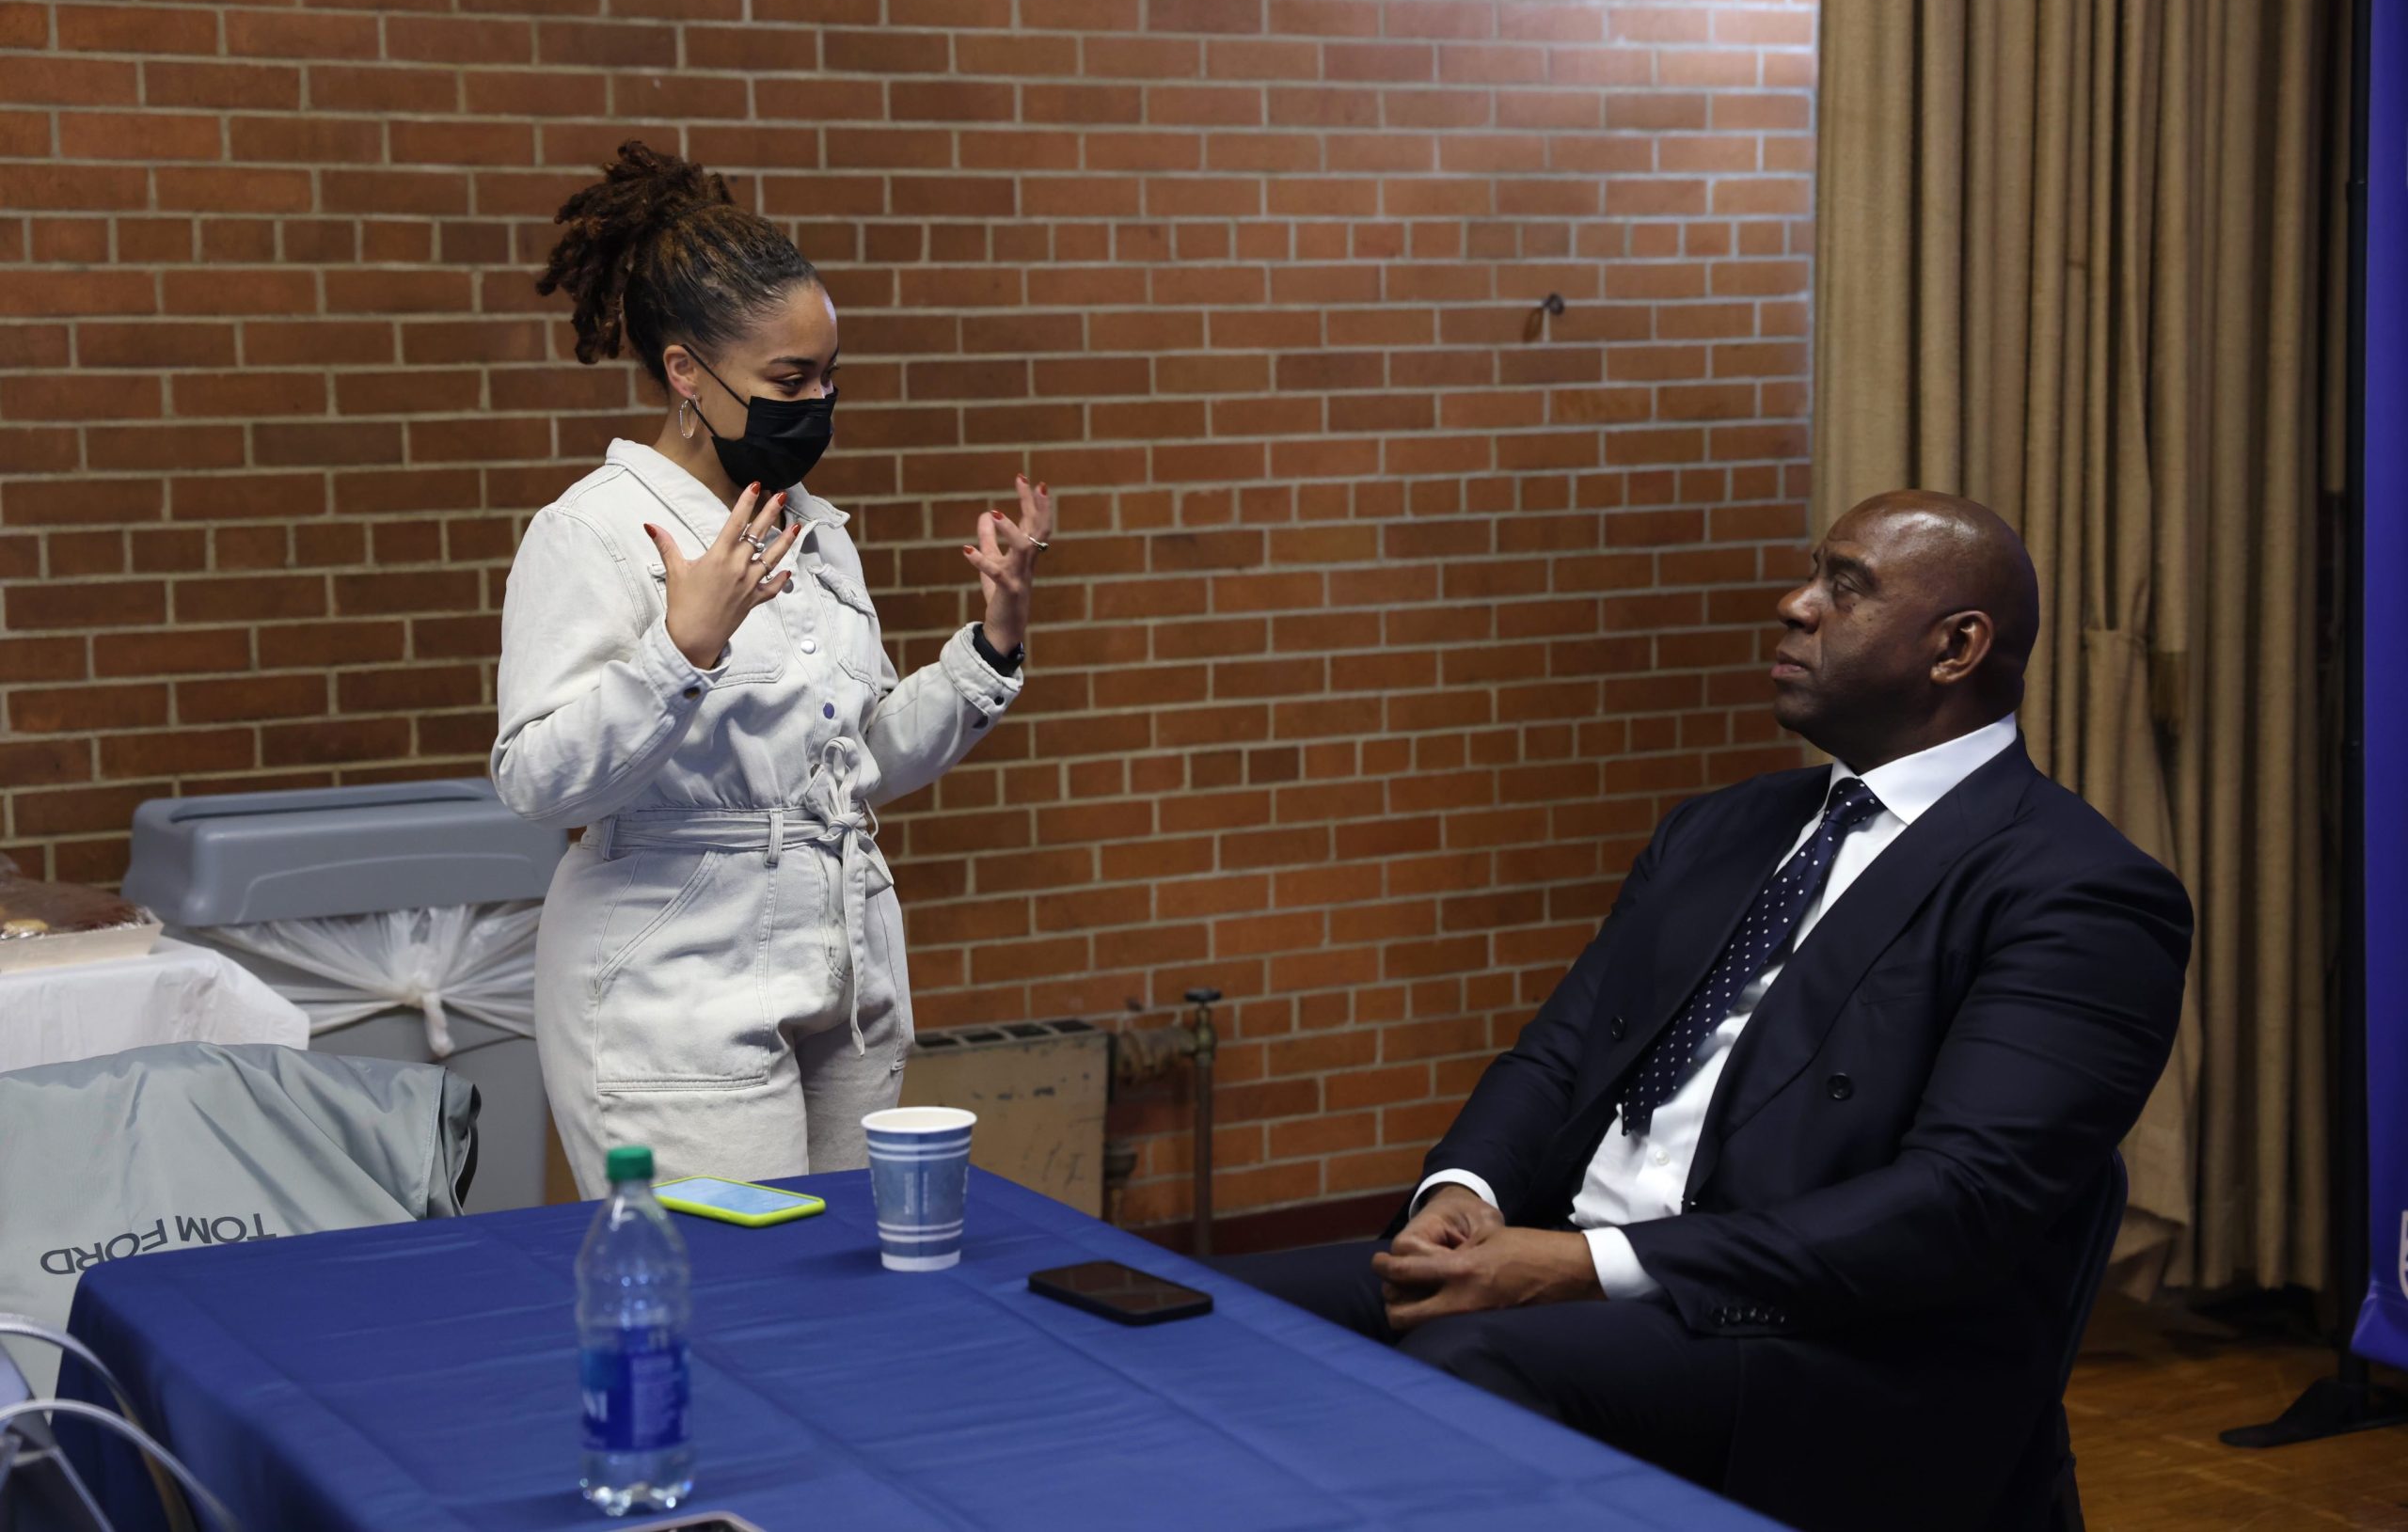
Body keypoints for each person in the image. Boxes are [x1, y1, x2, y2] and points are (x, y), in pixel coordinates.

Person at [1219, 492, 2191, 1531]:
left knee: (1469, 1360)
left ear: (1955, 647)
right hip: (1568, 1254)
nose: (1793, 603)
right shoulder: (1718, 829)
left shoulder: (2075, 889)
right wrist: (1465, 1190)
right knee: (1214, 1314)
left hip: (1830, 1345)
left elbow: (1955, 1206)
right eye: (1812, 575)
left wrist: (1590, 1268)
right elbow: (1557, 1058)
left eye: (1843, 586)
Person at [490, 142, 1054, 1196]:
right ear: (684, 372)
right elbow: (535, 780)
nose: (818, 402)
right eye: (789, 380)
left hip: (844, 967)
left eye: (828, 374)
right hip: (674, 973)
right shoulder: (595, 532)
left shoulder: (814, 531)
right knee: (731, 1305)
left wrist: (991, 643)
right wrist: (677, 652)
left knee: (840, 1291)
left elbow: (860, 761)